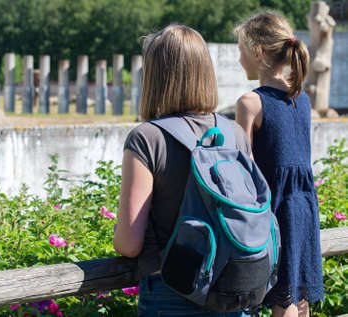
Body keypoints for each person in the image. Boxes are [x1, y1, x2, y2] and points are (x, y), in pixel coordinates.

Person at [113, 24, 251, 317]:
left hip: (171, 293)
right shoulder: (235, 133)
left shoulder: (147, 137)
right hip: (230, 290)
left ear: (154, 76)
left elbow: (128, 244)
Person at [234, 12, 324, 317]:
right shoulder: (302, 99)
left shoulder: (250, 103)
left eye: (240, 51)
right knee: (299, 300)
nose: (238, 59)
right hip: (304, 208)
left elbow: (243, 169)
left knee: (282, 303)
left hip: (273, 212)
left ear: (258, 53)